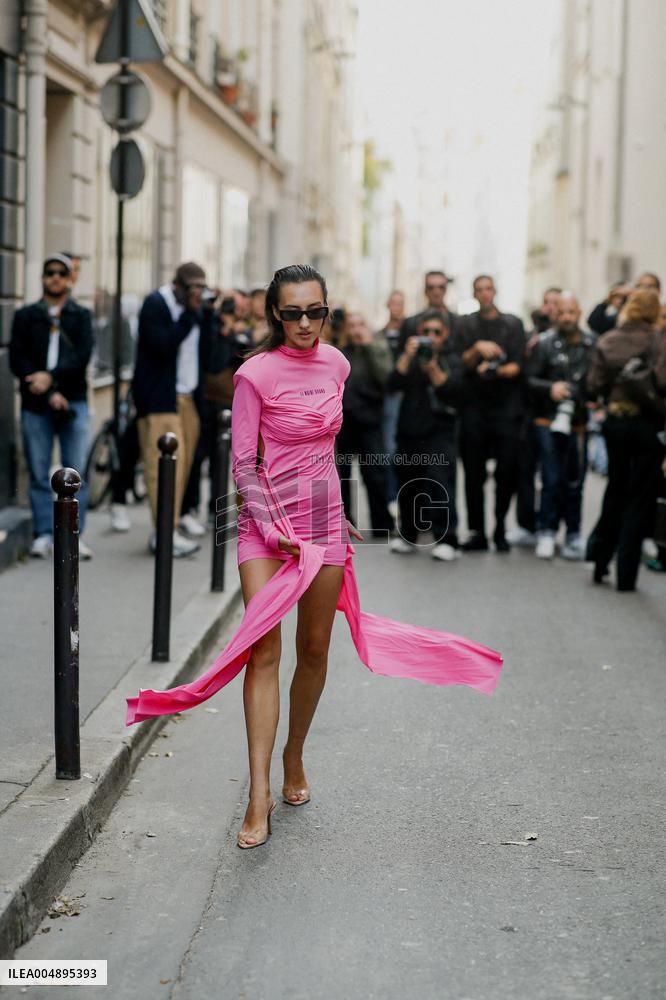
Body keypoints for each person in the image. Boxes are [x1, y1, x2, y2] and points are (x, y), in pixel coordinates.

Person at [125, 264, 504, 851]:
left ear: (328, 311)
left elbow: (326, 446)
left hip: (324, 523)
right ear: (276, 315)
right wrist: (273, 526)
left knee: (316, 647)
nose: (305, 323)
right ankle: (257, 793)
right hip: (264, 527)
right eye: (293, 313)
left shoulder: (339, 364)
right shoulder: (254, 374)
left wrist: (336, 510)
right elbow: (243, 464)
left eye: (315, 312)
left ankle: (294, 753)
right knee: (265, 649)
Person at [9, 253, 94, 558]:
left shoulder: (80, 316)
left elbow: (81, 357)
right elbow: (18, 358)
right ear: (42, 278)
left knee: (76, 470)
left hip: (74, 401)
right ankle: (44, 533)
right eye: (50, 272)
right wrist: (44, 390)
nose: (55, 277)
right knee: (38, 470)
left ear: (69, 278)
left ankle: (74, 535)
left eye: (61, 273)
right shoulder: (26, 315)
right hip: (35, 404)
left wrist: (51, 380)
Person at [586, 289, 665, 591]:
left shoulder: (609, 339)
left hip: (616, 423)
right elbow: (663, 381)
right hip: (647, 424)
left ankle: (600, 560)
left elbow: (593, 385)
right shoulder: (658, 339)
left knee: (616, 489)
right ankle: (626, 574)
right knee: (640, 497)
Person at [132, 261, 213, 557]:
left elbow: (205, 353)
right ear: (177, 286)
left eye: (201, 288)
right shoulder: (156, 304)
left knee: (185, 466)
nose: (197, 294)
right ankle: (163, 533)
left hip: (187, 397)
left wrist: (207, 315)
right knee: (163, 467)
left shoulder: (196, 310)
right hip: (159, 399)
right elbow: (163, 346)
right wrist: (191, 314)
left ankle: (171, 527)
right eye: (193, 288)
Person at [454, 275, 526, 553]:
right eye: (479, 290)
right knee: (473, 473)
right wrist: (477, 350)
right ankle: (477, 532)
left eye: (488, 289)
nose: (484, 294)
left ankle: (500, 529)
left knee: (507, 471)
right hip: (474, 410)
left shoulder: (513, 323)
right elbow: (461, 362)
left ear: (495, 291)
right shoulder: (466, 324)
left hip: (506, 410)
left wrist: (498, 370)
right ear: (474, 293)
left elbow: (519, 365)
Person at [387, 310, 464, 560]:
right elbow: (392, 382)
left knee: (439, 482)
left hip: (439, 431)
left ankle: (448, 538)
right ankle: (408, 534)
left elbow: (453, 391)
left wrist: (432, 368)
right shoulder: (410, 357)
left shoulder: (451, 359)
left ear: (446, 334)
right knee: (407, 484)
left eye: (436, 332)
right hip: (410, 430)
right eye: (426, 332)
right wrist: (408, 356)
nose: (431, 337)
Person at [528, 294, 595, 560]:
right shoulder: (544, 344)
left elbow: (597, 382)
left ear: (579, 313)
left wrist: (582, 396)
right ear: (556, 314)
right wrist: (550, 388)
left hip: (577, 423)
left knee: (575, 480)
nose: (567, 316)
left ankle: (574, 534)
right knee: (551, 478)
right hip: (547, 420)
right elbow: (529, 380)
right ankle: (546, 530)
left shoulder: (592, 344)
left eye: (572, 311)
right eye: (563, 312)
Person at [509, 287, 563, 548]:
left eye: (555, 303)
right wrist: (527, 352)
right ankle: (526, 524)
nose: (549, 308)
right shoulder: (531, 336)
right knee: (525, 471)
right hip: (530, 414)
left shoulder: (568, 339)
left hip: (556, 416)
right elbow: (523, 375)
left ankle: (548, 526)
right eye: (546, 302)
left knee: (554, 476)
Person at [336, 312, 395, 536]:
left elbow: (386, 379)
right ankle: (343, 523)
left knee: (375, 474)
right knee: (342, 475)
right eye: (351, 325)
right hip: (344, 424)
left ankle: (382, 524)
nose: (355, 329)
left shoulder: (377, 350)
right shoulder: (339, 353)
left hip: (370, 422)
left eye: (360, 324)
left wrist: (369, 346)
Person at [376, 290, 406, 509]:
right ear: (387, 304)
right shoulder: (380, 335)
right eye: (393, 303)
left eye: (400, 304)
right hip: (389, 397)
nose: (397, 307)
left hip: (410, 397)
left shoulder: (412, 332)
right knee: (389, 449)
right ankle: (392, 497)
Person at [398, 270, 456, 349]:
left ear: (446, 290)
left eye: (441, 287)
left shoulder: (458, 323)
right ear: (425, 290)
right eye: (431, 288)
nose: (436, 292)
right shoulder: (410, 323)